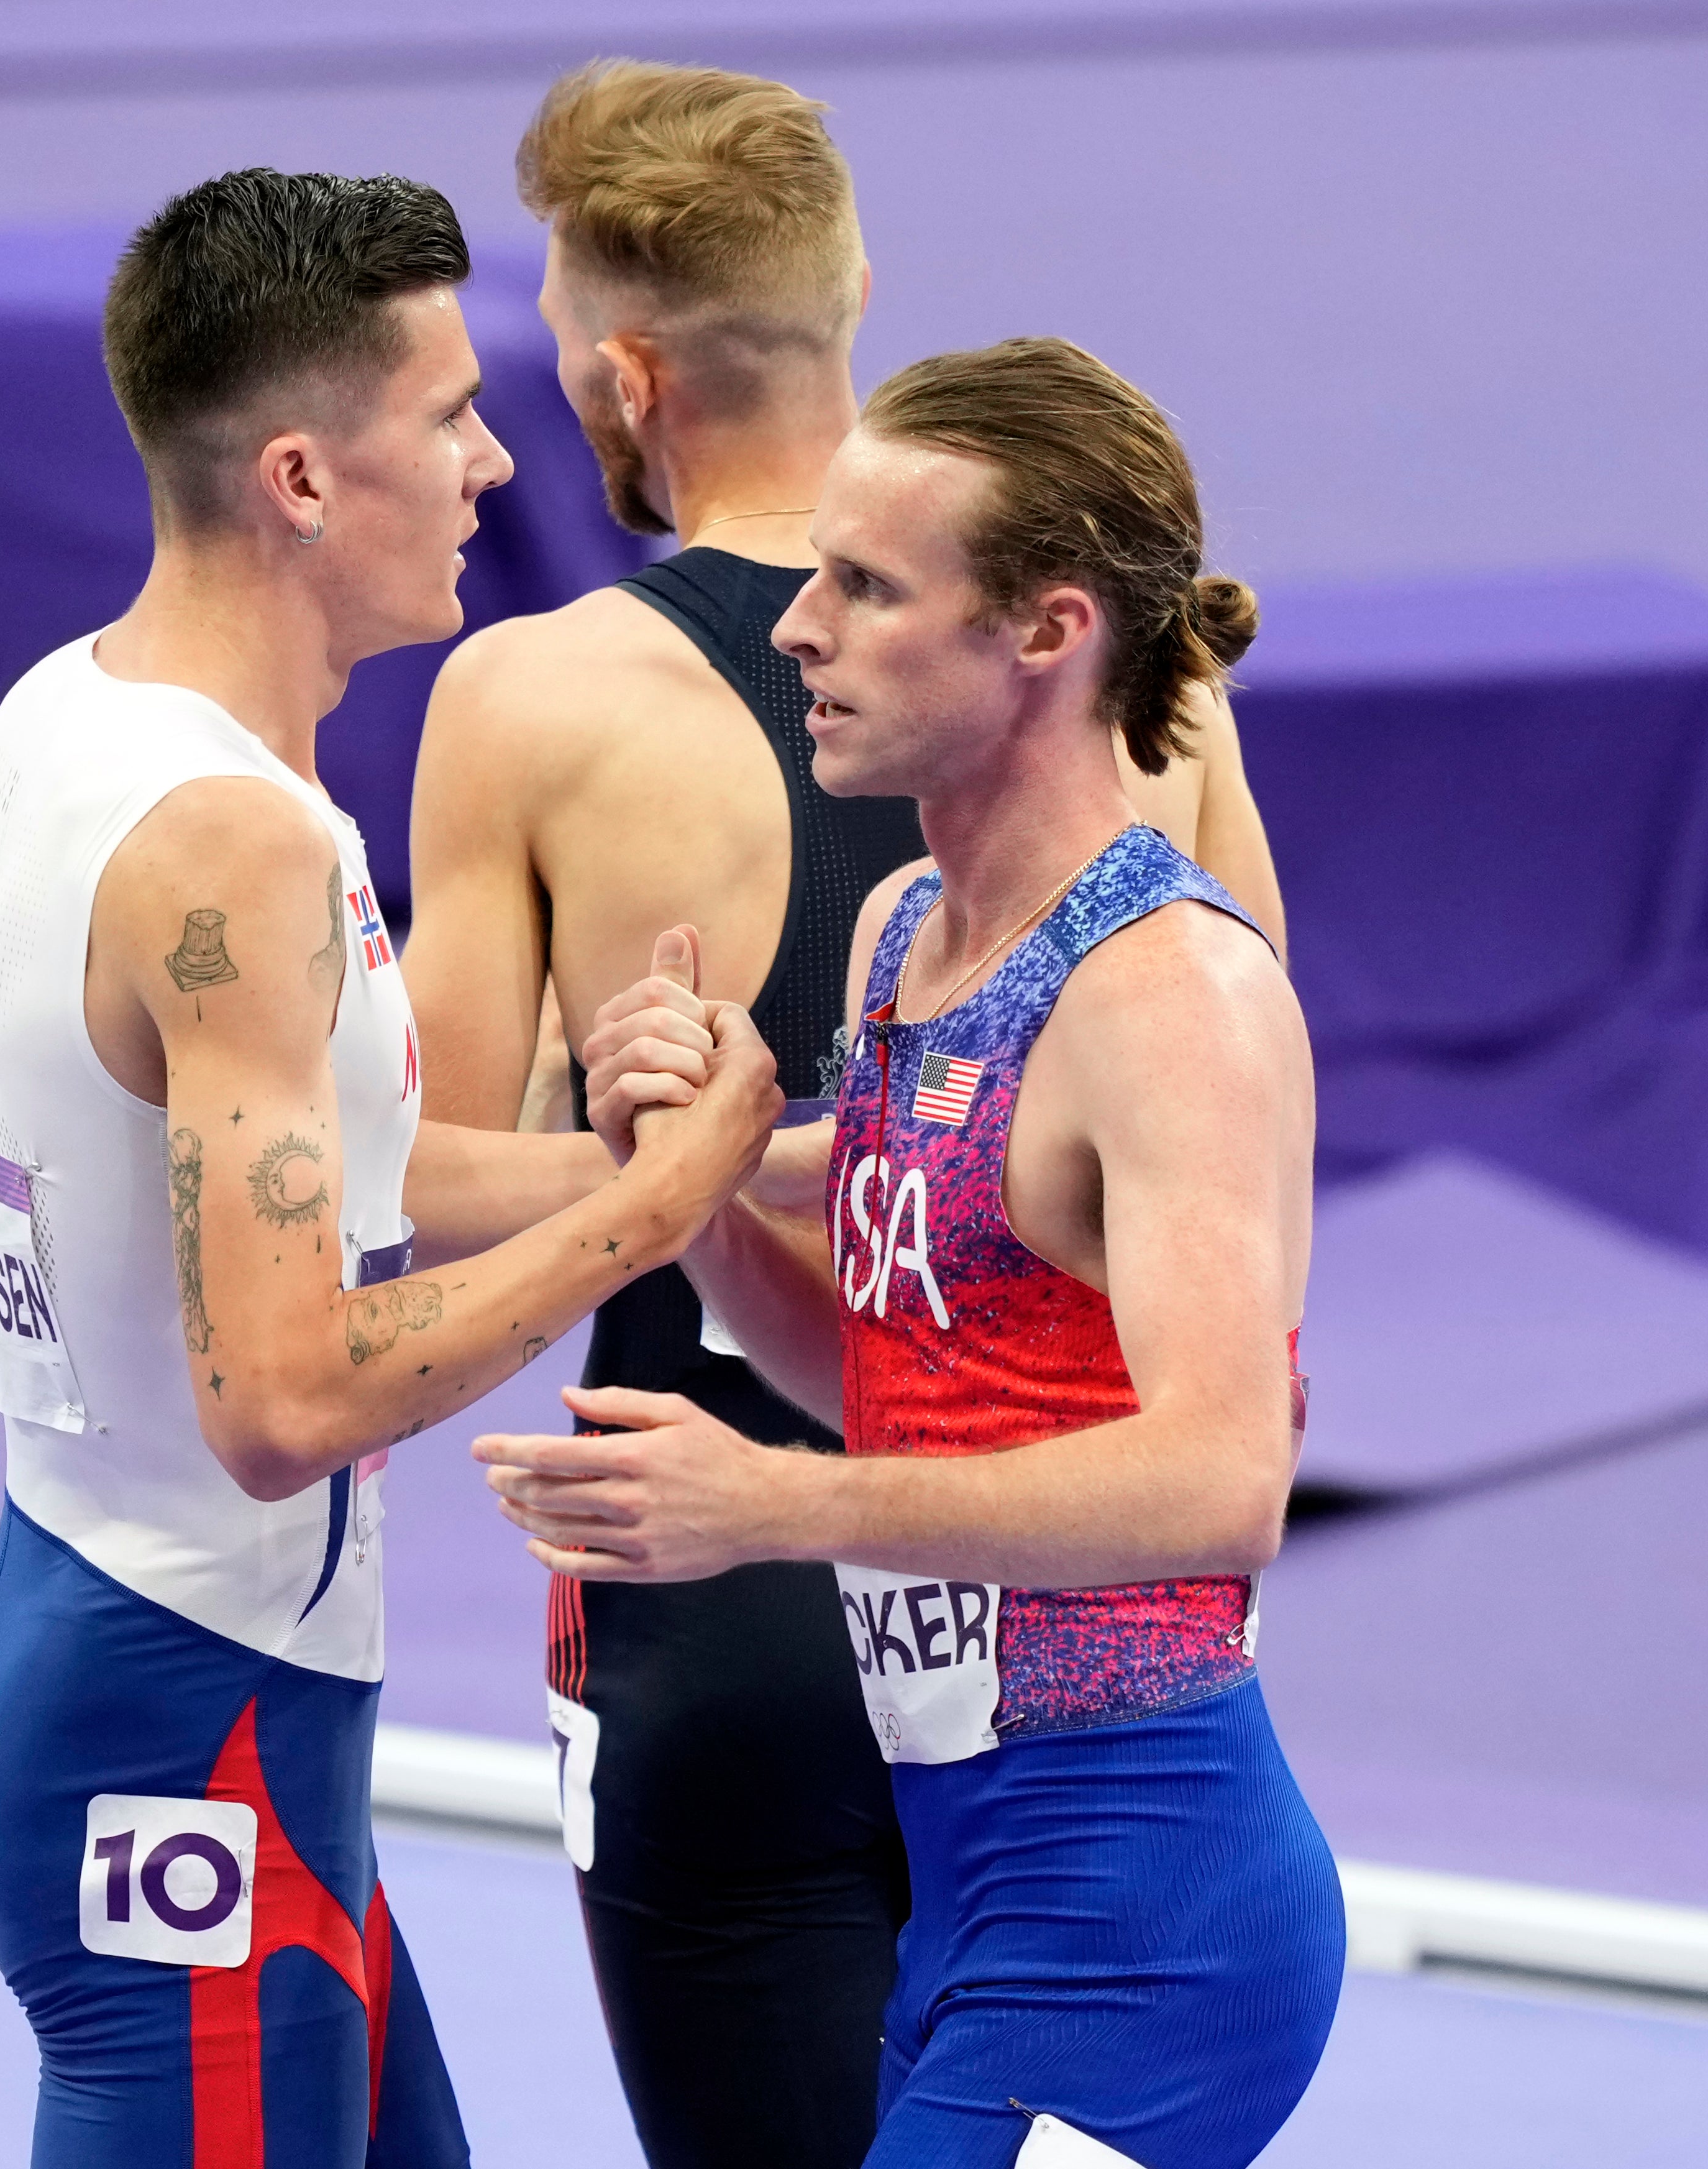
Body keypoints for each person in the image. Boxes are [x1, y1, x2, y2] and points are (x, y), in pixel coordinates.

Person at [399, 62, 1292, 2169]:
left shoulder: (533, 700)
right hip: (976, 1638)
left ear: (619, 367)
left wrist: (667, 1186)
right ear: (853, 285)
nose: (813, 632)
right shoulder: (1017, 802)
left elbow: (413, 1187)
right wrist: (724, 1181)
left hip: (771, 1622)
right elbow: (1154, 1177)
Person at [0, 169, 780, 2169]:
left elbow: (328, 1168)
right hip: (186, 1722)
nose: (500, 456)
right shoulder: (240, 852)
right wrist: (647, 1216)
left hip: (124, 1647)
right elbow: (287, 1397)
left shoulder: (74, 716)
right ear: (301, 478)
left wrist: (638, 1157)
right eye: (450, 413)